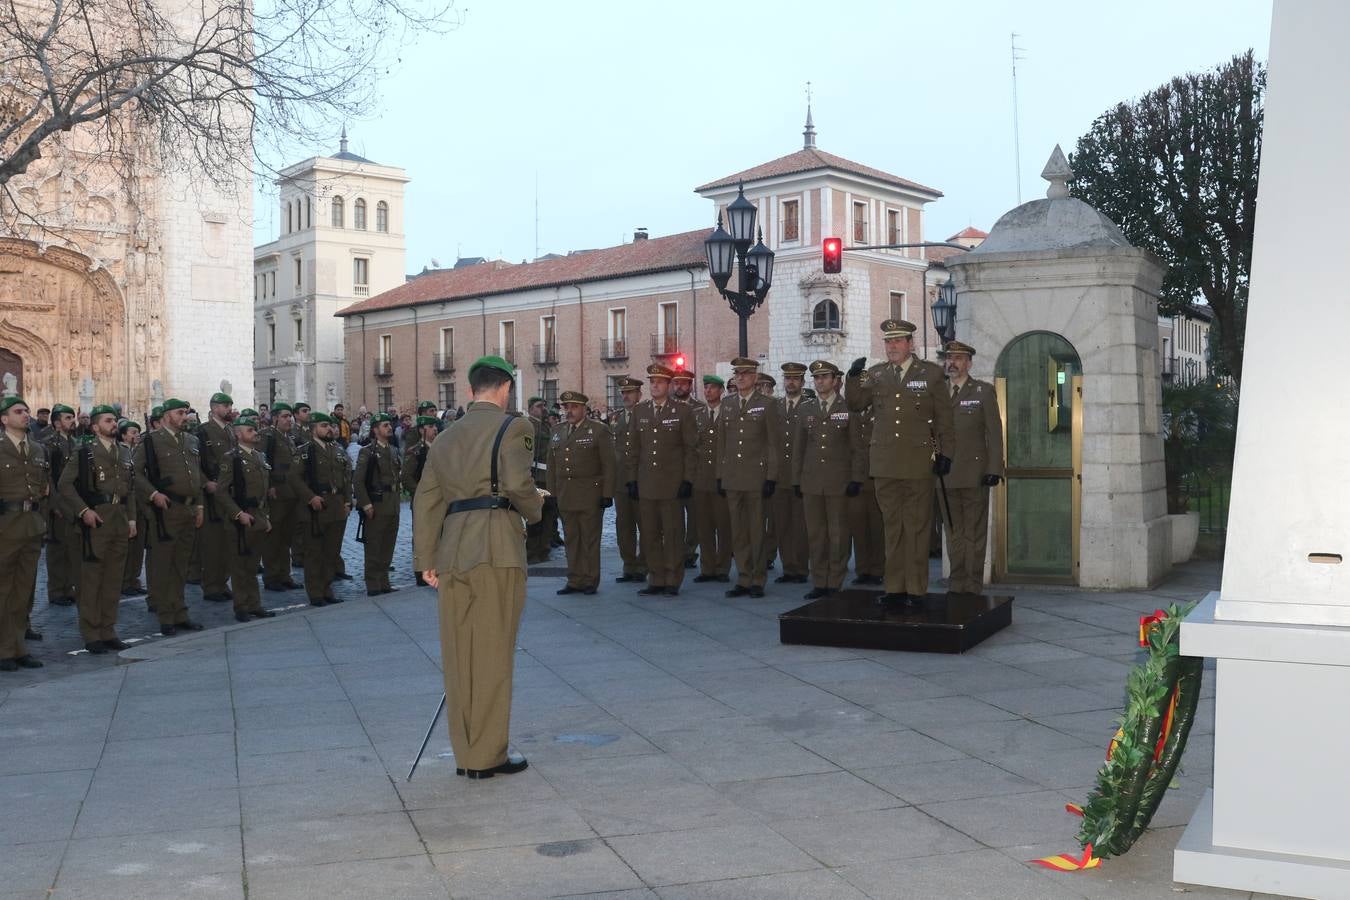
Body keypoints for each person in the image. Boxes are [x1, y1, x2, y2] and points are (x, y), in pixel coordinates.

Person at [412, 355, 543, 779]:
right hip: (496, 548)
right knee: (492, 653)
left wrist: (425, 560)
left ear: (471, 391)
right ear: (505, 388)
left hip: (453, 552)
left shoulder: (446, 437)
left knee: (458, 655)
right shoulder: (515, 427)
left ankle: (466, 752)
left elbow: (426, 500)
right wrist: (537, 507)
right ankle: (487, 755)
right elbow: (518, 485)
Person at [846, 319, 955, 604]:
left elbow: (944, 418)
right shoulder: (877, 374)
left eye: (897, 341)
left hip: (918, 462)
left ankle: (916, 589)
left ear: (910, 343)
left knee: (917, 527)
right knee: (892, 527)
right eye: (887, 341)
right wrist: (853, 376)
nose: (891, 346)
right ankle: (895, 588)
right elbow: (856, 403)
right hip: (884, 462)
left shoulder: (930, 374)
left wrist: (946, 453)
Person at [58, 405, 136, 654]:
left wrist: (132, 520)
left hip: (119, 519)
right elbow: (65, 485)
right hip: (96, 520)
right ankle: (91, 633)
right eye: (108, 420)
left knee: (113, 579)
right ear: (94, 427)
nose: (114, 424)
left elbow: (130, 490)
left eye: (115, 420)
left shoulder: (123, 452)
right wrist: (83, 511)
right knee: (91, 579)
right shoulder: (85, 452)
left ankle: (108, 629)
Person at [132, 398, 206, 635]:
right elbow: (134, 473)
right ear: (165, 416)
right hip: (166, 510)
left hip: (189, 508)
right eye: (179, 412)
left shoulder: (192, 440)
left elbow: (197, 477)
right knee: (164, 564)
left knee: (181, 564)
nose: (184, 416)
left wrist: (200, 506)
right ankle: (166, 615)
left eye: (186, 412)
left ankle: (180, 612)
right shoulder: (151, 441)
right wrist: (153, 494)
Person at [624, 364, 696, 597]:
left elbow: (690, 448)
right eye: (652, 382)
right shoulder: (640, 411)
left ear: (668, 385)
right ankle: (655, 577)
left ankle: (673, 578)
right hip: (646, 483)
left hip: (671, 484)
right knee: (650, 533)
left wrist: (687, 479)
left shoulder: (682, 412)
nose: (654, 385)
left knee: (673, 533)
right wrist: (632, 480)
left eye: (660, 382)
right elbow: (634, 450)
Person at [793, 361, 864, 599]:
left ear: (835, 381)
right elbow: (798, 449)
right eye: (817, 378)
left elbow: (857, 448)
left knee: (838, 534)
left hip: (838, 481)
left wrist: (856, 478)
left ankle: (835, 581)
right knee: (815, 533)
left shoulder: (848, 408)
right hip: (812, 481)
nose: (820, 381)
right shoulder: (806, 408)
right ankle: (819, 580)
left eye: (825, 377)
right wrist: (796, 480)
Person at [940, 341, 1005, 595]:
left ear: (969, 363)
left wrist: (994, 468)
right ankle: (956, 584)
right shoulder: (938, 393)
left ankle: (973, 585)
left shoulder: (983, 392)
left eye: (958, 358)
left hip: (974, 474)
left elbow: (994, 433)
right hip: (944, 477)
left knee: (974, 534)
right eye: (948, 357)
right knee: (952, 533)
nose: (952, 362)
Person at [718, 358, 780, 598]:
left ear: (755, 377)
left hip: (756, 477)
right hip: (733, 477)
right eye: (737, 374)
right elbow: (722, 443)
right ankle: (743, 577)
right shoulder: (728, 404)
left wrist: (771, 477)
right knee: (738, 531)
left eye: (746, 374)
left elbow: (773, 443)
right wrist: (720, 476)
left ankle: (758, 578)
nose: (741, 378)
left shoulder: (767, 404)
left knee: (756, 530)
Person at [546, 391, 614, 595]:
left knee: (589, 539)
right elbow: (551, 465)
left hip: (589, 494)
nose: (569, 411)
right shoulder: (557, 431)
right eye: (566, 407)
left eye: (574, 407)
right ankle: (574, 579)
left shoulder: (598, 430)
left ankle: (590, 579)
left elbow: (609, 464)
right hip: (566, 494)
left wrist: (607, 493)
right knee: (571, 538)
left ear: (584, 408)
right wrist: (552, 493)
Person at [1, 397, 48, 671]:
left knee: (23, 592)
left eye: (26, 411)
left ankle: (18, 646)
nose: (25, 415)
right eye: (18, 412)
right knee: (3, 590)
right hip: (5, 525)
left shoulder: (37, 449)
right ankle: (3, 649)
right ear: (4, 419)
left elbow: (42, 486)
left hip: (30, 523)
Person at [215, 415, 277, 622]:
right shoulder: (230, 458)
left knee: (252, 565)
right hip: (240, 518)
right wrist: (237, 513)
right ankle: (241, 606)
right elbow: (222, 492)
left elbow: (264, 491)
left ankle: (254, 604)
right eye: (250, 431)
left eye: (255, 430)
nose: (255, 433)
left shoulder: (259, 456)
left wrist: (265, 516)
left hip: (258, 516)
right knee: (239, 565)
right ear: (238, 434)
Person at [289, 412, 352, 607]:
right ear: (313, 428)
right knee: (314, 552)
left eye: (331, 426)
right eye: (324, 426)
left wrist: (348, 501)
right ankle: (315, 592)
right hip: (316, 508)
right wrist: (310, 497)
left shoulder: (338, 450)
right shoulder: (305, 451)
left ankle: (327, 588)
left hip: (336, 506)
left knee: (331, 552)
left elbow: (346, 478)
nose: (330, 429)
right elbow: (294, 478)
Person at [691, 375, 732, 583]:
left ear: (721, 391)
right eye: (706, 387)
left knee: (723, 525)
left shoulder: (729, 412)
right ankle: (707, 568)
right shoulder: (697, 414)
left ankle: (723, 567)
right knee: (704, 526)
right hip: (701, 478)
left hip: (721, 477)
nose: (708, 391)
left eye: (713, 388)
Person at [355, 412, 401, 596]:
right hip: (377, 503)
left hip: (393, 503)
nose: (389, 428)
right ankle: (373, 584)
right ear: (375, 430)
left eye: (389, 425)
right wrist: (366, 504)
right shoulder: (367, 451)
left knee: (388, 544)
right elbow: (358, 481)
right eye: (384, 425)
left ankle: (384, 582)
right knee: (374, 545)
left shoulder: (393, 450)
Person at [197, 392, 237, 604]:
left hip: (229, 492)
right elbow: (196, 463)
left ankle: (222, 582)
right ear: (214, 408)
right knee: (213, 543)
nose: (229, 409)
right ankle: (211, 586)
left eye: (229, 405)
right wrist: (205, 482)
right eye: (224, 406)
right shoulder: (203, 431)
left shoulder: (231, 431)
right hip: (212, 493)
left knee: (227, 541)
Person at [773, 362, 810, 585]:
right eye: (788, 378)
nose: (791, 382)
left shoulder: (809, 406)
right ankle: (787, 567)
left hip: (801, 476)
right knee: (782, 525)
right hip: (778, 477)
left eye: (795, 379)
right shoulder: (775, 407)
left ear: (803, 382)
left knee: (800, 525)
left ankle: (801, 568)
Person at [259, 403, 302, 591]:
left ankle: (285, 575)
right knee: (273, 537)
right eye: (284, 416)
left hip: (291, 493)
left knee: (287, 537)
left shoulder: (289, 438)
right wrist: (268, 487)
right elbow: (262, 463)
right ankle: (272, 577)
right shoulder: (267, 436)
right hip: (276, 492)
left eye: (290, 416)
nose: (289, 419)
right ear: (275, 418)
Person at [41, 402, 81, 607]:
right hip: (57, 503)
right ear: (57, 423)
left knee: (71, 548)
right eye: (67, 417)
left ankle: (69, 587)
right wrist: (54, 504)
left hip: (73, 502)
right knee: (57, 549)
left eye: (72, 417)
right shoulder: (49, 444)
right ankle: (56, 591)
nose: (72, 421)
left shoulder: (76, 443)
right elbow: (49, 478)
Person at [610, 377, 647, 584]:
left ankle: (644, 565)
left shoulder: (645, 415)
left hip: (642, 478)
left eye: (630, 392)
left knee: (645, 524)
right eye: (623, 393)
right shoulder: (616, 418)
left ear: (639, 395)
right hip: (621, 480)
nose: (625, 396)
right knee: (624, 525)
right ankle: (629, 565)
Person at [401, 414, 441, 586]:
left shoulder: (439, 448)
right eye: (431, 427)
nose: (435, 429)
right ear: (422, 430)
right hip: (423, 500)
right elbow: (407, 477)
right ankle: (421, 572)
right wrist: (421, 493)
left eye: (435, 426)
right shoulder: (416, 450)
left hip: (440, 501)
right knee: (423, 536)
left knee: (439, 534)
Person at [670, 368, 701, 569]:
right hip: (671, 470)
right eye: (676, 383)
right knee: (673, 514)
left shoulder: (700, 409)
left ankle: (689, 550)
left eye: (683, 383)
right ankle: (676, 549)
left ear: (690, 386)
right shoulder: (668, 407)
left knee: (694, 514)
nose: (679, 387)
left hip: (693, 469)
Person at [118, 420, 148, 597]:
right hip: (127, 504)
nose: (136, 435)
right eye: (132, 432)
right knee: (127, 545)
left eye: (138, 432)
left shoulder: (139, 451)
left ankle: (134, 579)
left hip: (140, 503)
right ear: (123, 435)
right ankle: (124, 580)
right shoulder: (120, 452)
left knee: (138, 545)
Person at [524, 397, 556, 564]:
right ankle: (532, 551)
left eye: (544, 405)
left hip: (548, 477)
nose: (543, 408)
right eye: (538, 406)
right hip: (536, 476)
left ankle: (544, 549)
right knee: (536, 516)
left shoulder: (545, 425)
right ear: (530, 409)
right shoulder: (528, 426)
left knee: (549, 515)